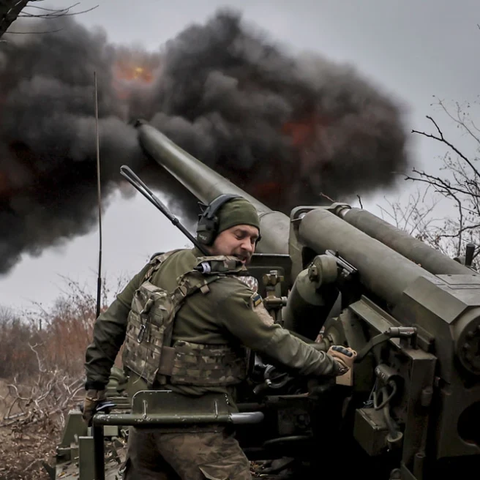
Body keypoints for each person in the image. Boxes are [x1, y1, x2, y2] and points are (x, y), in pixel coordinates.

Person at [82, 194, 356, 480]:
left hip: (145, 424)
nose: (247, 247)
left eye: (253, 240)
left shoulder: (159, 265)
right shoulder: (228, 292)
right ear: (209, 232)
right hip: (197, 431)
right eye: (240, 235)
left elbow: (108, 325)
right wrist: (331, 363)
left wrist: (95, 388)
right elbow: (279, 346)